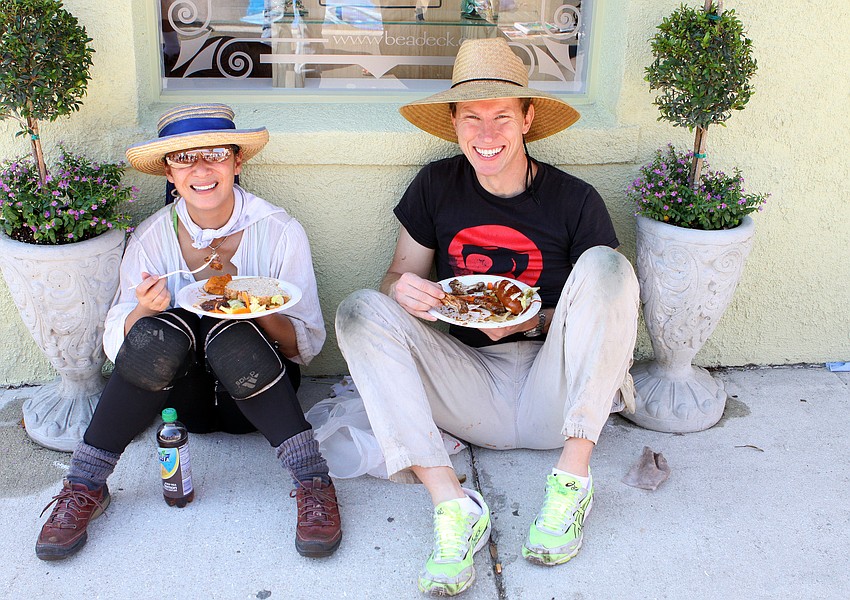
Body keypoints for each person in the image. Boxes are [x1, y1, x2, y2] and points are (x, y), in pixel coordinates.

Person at [335, 38, 639, 596]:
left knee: (608, 267)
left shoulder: (575, 200)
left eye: (502, 115)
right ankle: (452, 507)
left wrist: (529, 322)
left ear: (527, 119)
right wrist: (409, 293)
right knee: (359, 310)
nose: (486, 133)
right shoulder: (436, 185)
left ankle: (572, 481)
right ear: (453, 122)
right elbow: (393, 276)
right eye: (471, 117)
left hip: (558, 391)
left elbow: (602, 308)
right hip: (466, 391)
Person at [35, 103, 342, 561]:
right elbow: (120, 345)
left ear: (237, 163)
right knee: (160, 331)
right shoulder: (151, 237)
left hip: (255, 400)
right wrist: (142, 308)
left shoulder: (280, 232)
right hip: (186, 408)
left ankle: (313, 480)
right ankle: (84, 485)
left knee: (228, 325)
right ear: (168, 173)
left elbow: (304, 346)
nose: (201, 168)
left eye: (216, 153)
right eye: (184, 158)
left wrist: (253, 306)